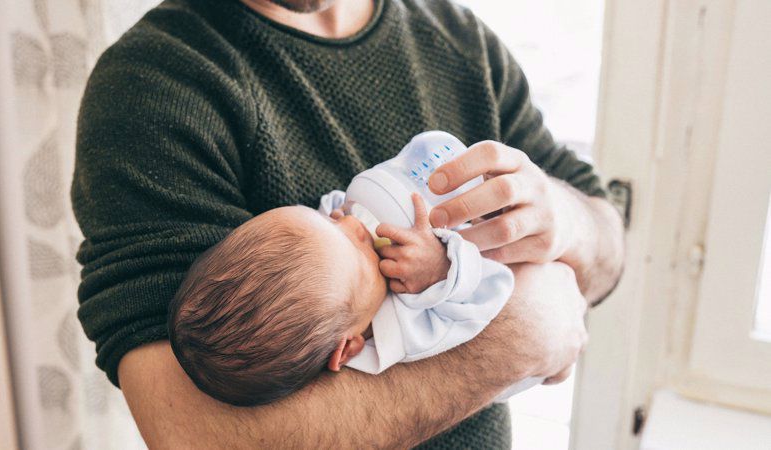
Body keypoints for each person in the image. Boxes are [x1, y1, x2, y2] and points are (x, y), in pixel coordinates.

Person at [71, 0, 625, 447]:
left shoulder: (457, 37)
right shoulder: (157, 84)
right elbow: (193, 436)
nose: (349, 223)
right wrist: (519, 337)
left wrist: (564, 218)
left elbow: (607, 245)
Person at [170, 191, 525, 406]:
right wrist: (440, 269)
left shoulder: (335, 295)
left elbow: (335, 216)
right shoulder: (407, 335)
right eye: (359, 249)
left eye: (325, 221)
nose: (353, 225)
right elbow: (492, 293)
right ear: (348, 348)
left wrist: (344, 211)